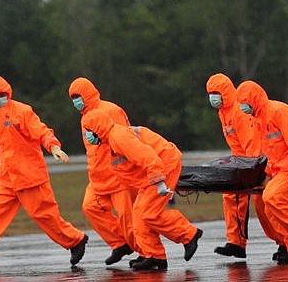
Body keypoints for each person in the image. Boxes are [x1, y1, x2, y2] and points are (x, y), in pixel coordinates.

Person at [0, 76, 88, 271]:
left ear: (8, 94)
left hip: (29, 174)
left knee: (45, 215)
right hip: (5, 177)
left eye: (2, 95)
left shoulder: (22, 111)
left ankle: (76, 240)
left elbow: (41, 131)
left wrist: (53, 147)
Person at [81, 109, 203, 270]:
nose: (88, 136)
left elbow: (148, 157)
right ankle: (155, 256)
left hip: (163, 166)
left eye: (89, 131)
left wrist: (159, 182)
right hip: (156, 170)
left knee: (148, 212)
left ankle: (189, 235)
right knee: (139, 214)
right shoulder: (111, 139)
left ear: (97, 129)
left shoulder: (118, 138)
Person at [236, 80, 288, 264]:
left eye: (244, 101)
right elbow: (271, 151)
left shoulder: (278, 112)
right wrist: (267, 173)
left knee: (273, 197)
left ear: (253, 100)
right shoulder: (259, 118)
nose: (242, 106)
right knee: (269, 205)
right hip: (282, 168)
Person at [206, 73, 286, 260]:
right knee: (232, 197)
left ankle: (286, 242)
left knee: (264, 204)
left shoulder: (239, 112)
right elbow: (236, 145)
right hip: (242, 163)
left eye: (216, 92)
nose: (212, 97)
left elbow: (253, 144)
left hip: (256, 163)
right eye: (210, 93)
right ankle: (236, 243)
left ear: (225, 92)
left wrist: (255, 172)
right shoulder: (223, 112)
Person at [68, 77, 139, 266]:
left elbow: (126, 140)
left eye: (78, 96)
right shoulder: (85, 118)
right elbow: (92, 150)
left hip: (118, 174)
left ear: (88, 93)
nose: (76, 100)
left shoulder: (111, 110)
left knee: (128, 217)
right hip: (98, 176)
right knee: (90, 207)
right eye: (73, 97)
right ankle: (120, 243)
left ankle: (147, 252)